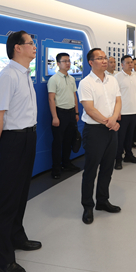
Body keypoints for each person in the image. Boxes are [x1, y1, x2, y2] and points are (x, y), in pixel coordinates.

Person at [0, 31, 42, 272]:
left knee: (20, 194)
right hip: (12, 140)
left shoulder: (25, 74)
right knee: (7, 199)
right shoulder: (7, 76)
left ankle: (17, 237)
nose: (34, 47)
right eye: (30, 43)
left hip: (28, 137)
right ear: (17, 48)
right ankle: (2, 259)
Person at [78, 48, 122, 225]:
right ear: (91, 62)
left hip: (111, 129)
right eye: (100, 58)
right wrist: (109, 122)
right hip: (95, 130)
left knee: (107, 168)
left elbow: (118, 101)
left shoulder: (112, 80)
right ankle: (87, 206)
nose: (104, 61)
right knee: (91, 170)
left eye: (105, 58)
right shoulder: (86, 83)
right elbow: (89, 109)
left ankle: (103, 201)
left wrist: (113, 119)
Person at [48, 52, 80, 180]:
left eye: (69, 61)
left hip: (71, 113)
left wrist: (76, 112)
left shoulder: (71, 79)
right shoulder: (54, 79)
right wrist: (55, 117)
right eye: (64, 61)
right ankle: (56, 169)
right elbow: (51, 99)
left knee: (68, 141)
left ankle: (66, 164)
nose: (68, 63)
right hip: (60, 113)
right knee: (57, 142)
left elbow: (74, 96)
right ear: (58, 63)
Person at [115, 55, 136, 169]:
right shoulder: (117, 77)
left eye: (131, 62)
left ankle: (128, 155)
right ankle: (118, 159)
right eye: (128, 62)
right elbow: (115, 96)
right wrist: (117, 112)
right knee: (120, 137)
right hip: (122, 112)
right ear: (122, 64)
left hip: (133, 111)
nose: (131, 64)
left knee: (130, 136)